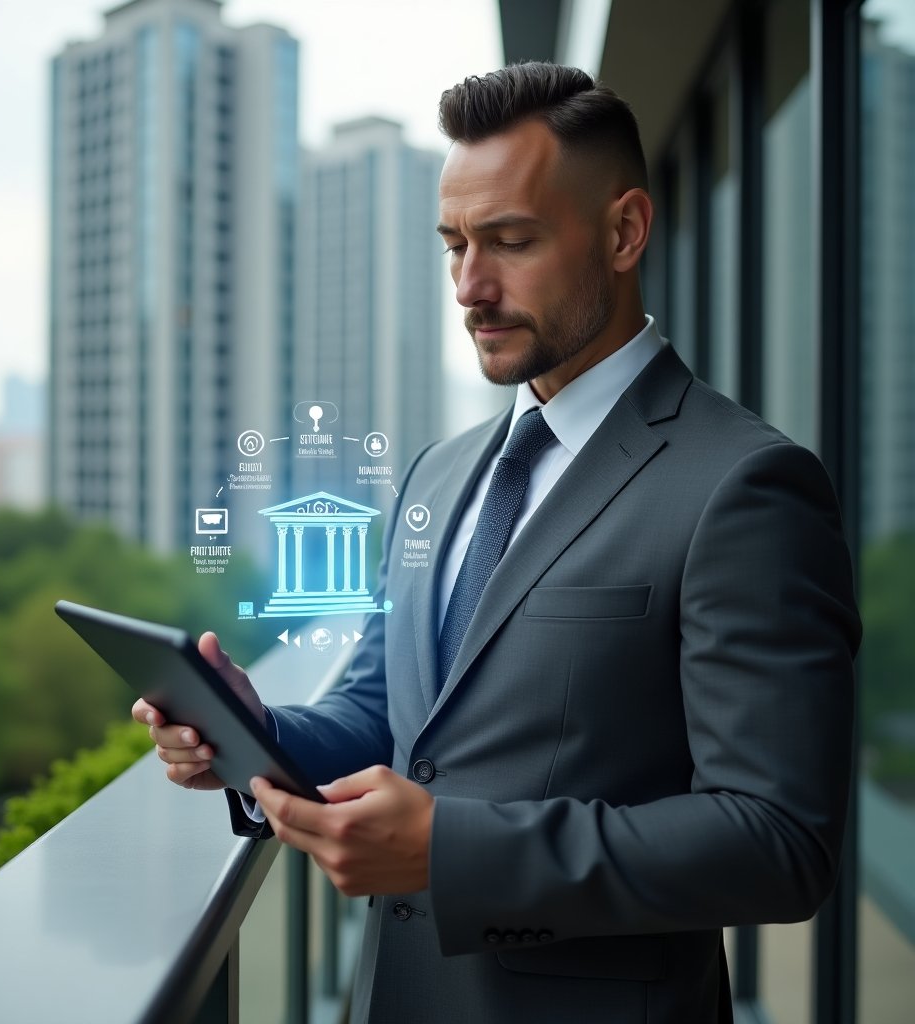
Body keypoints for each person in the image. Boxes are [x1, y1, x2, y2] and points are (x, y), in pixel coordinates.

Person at [133, 63, 860, 1023]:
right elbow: (387, 717)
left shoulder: (746, 485)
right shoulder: (440, 470)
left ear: (623, 232)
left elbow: (778, 843)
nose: (471, 287)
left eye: (511, 242)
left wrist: (454, 853)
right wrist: (251, 734)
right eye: (454, 245)